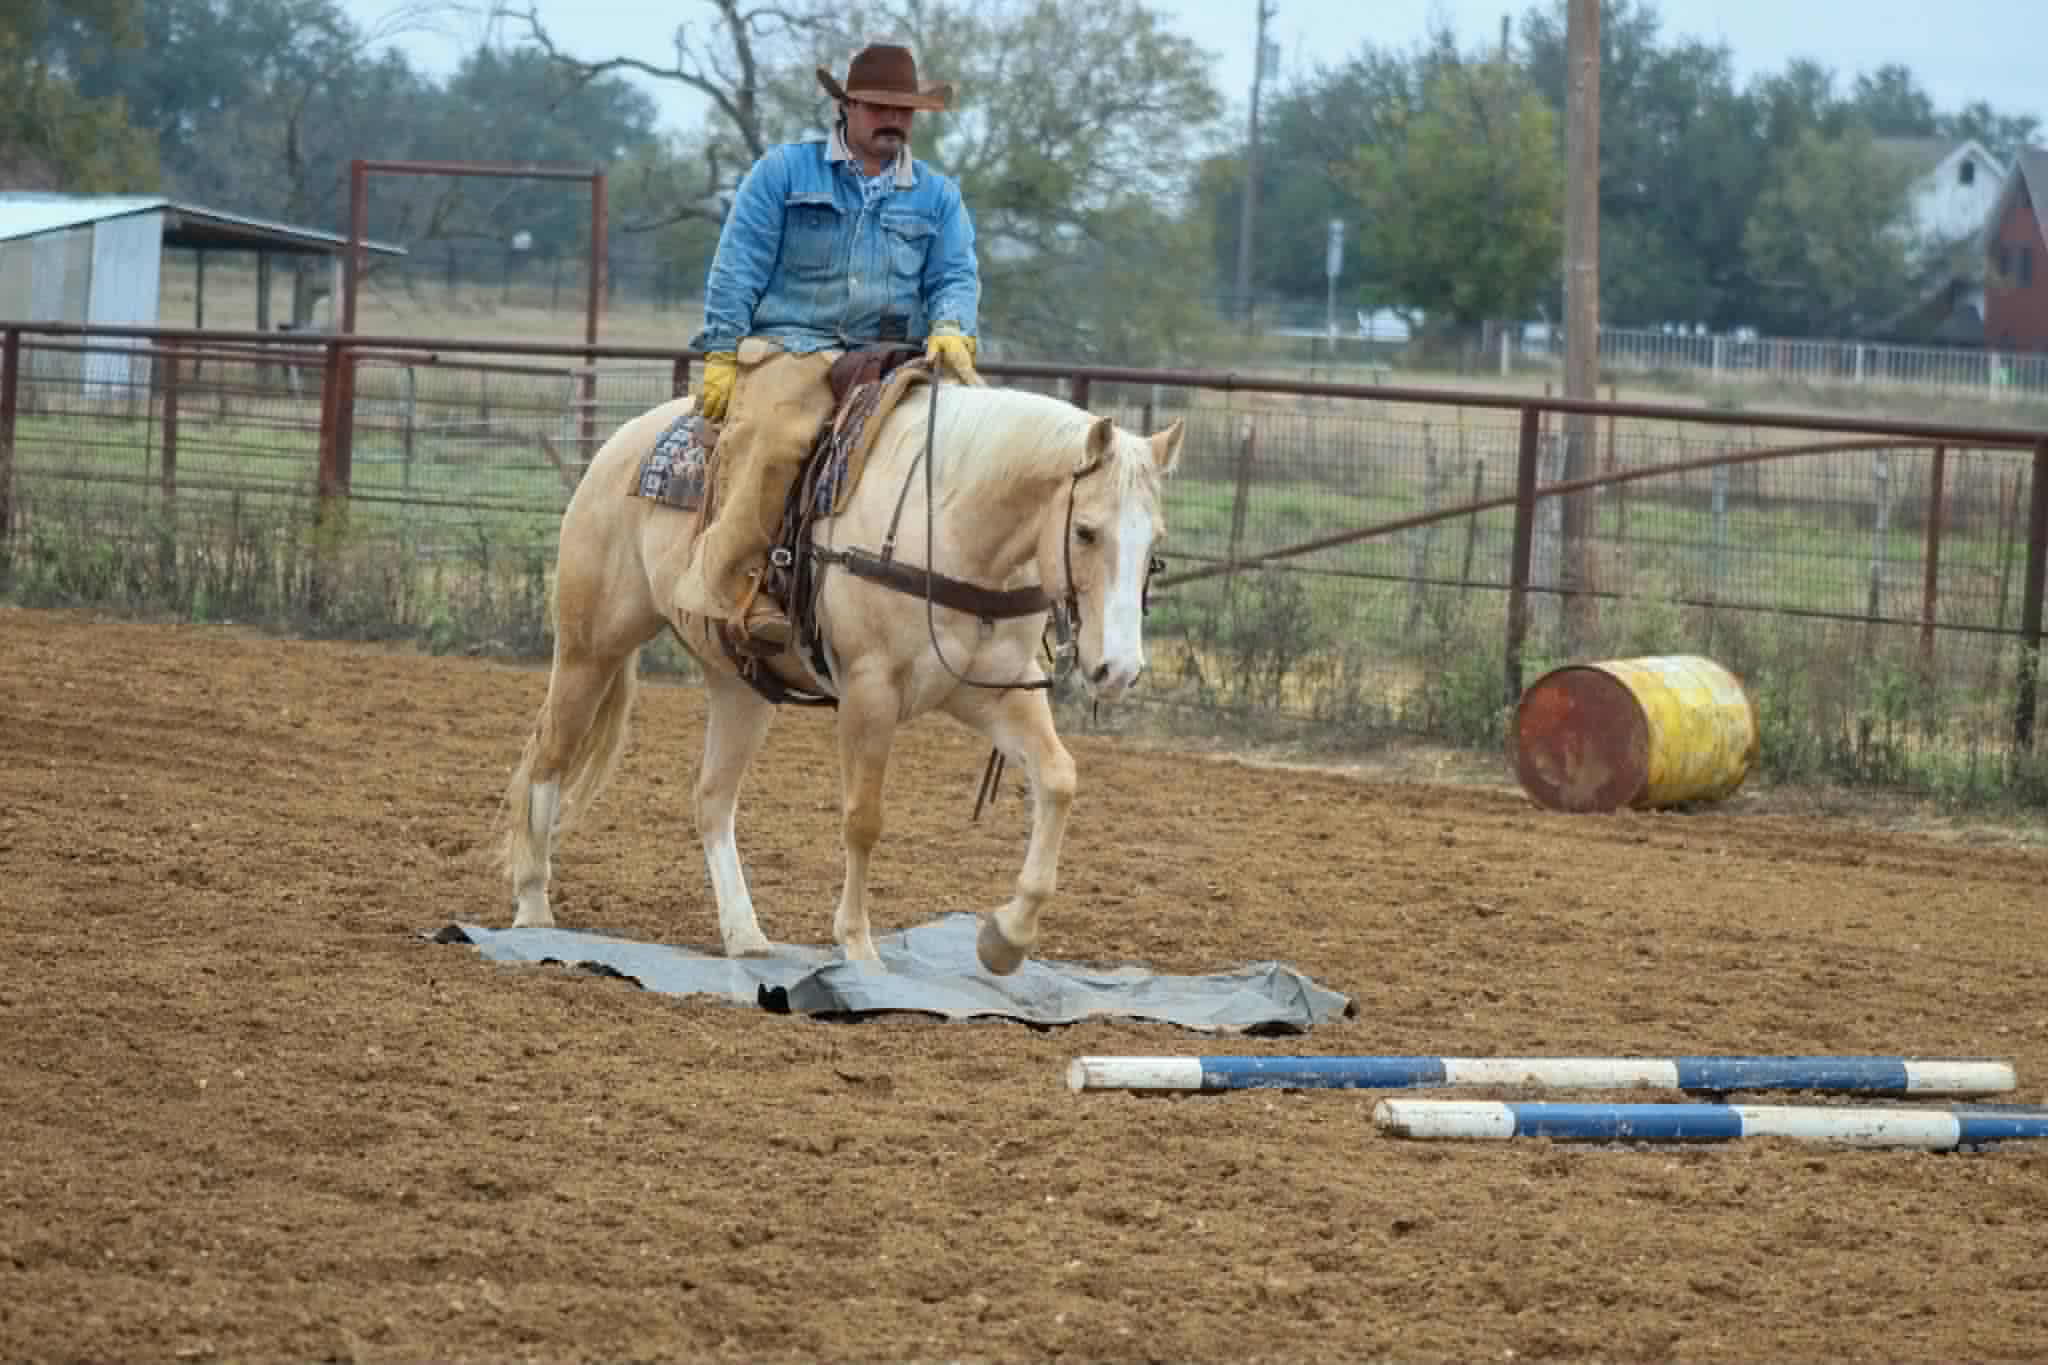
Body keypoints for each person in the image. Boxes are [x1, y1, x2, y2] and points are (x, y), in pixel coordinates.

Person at [675, 42, 984, 650]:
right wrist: (722, 351)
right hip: (794, 346)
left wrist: (951, 327)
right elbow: (737, 267)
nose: (893, 120)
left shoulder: (938, 196)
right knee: (774, 440)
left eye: (904, 110)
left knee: (970, 444)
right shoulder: (784, 173)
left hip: (895, 354)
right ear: (846, 106)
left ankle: (965, 601)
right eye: (879, 107)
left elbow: (955, 275)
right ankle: (737, 584)